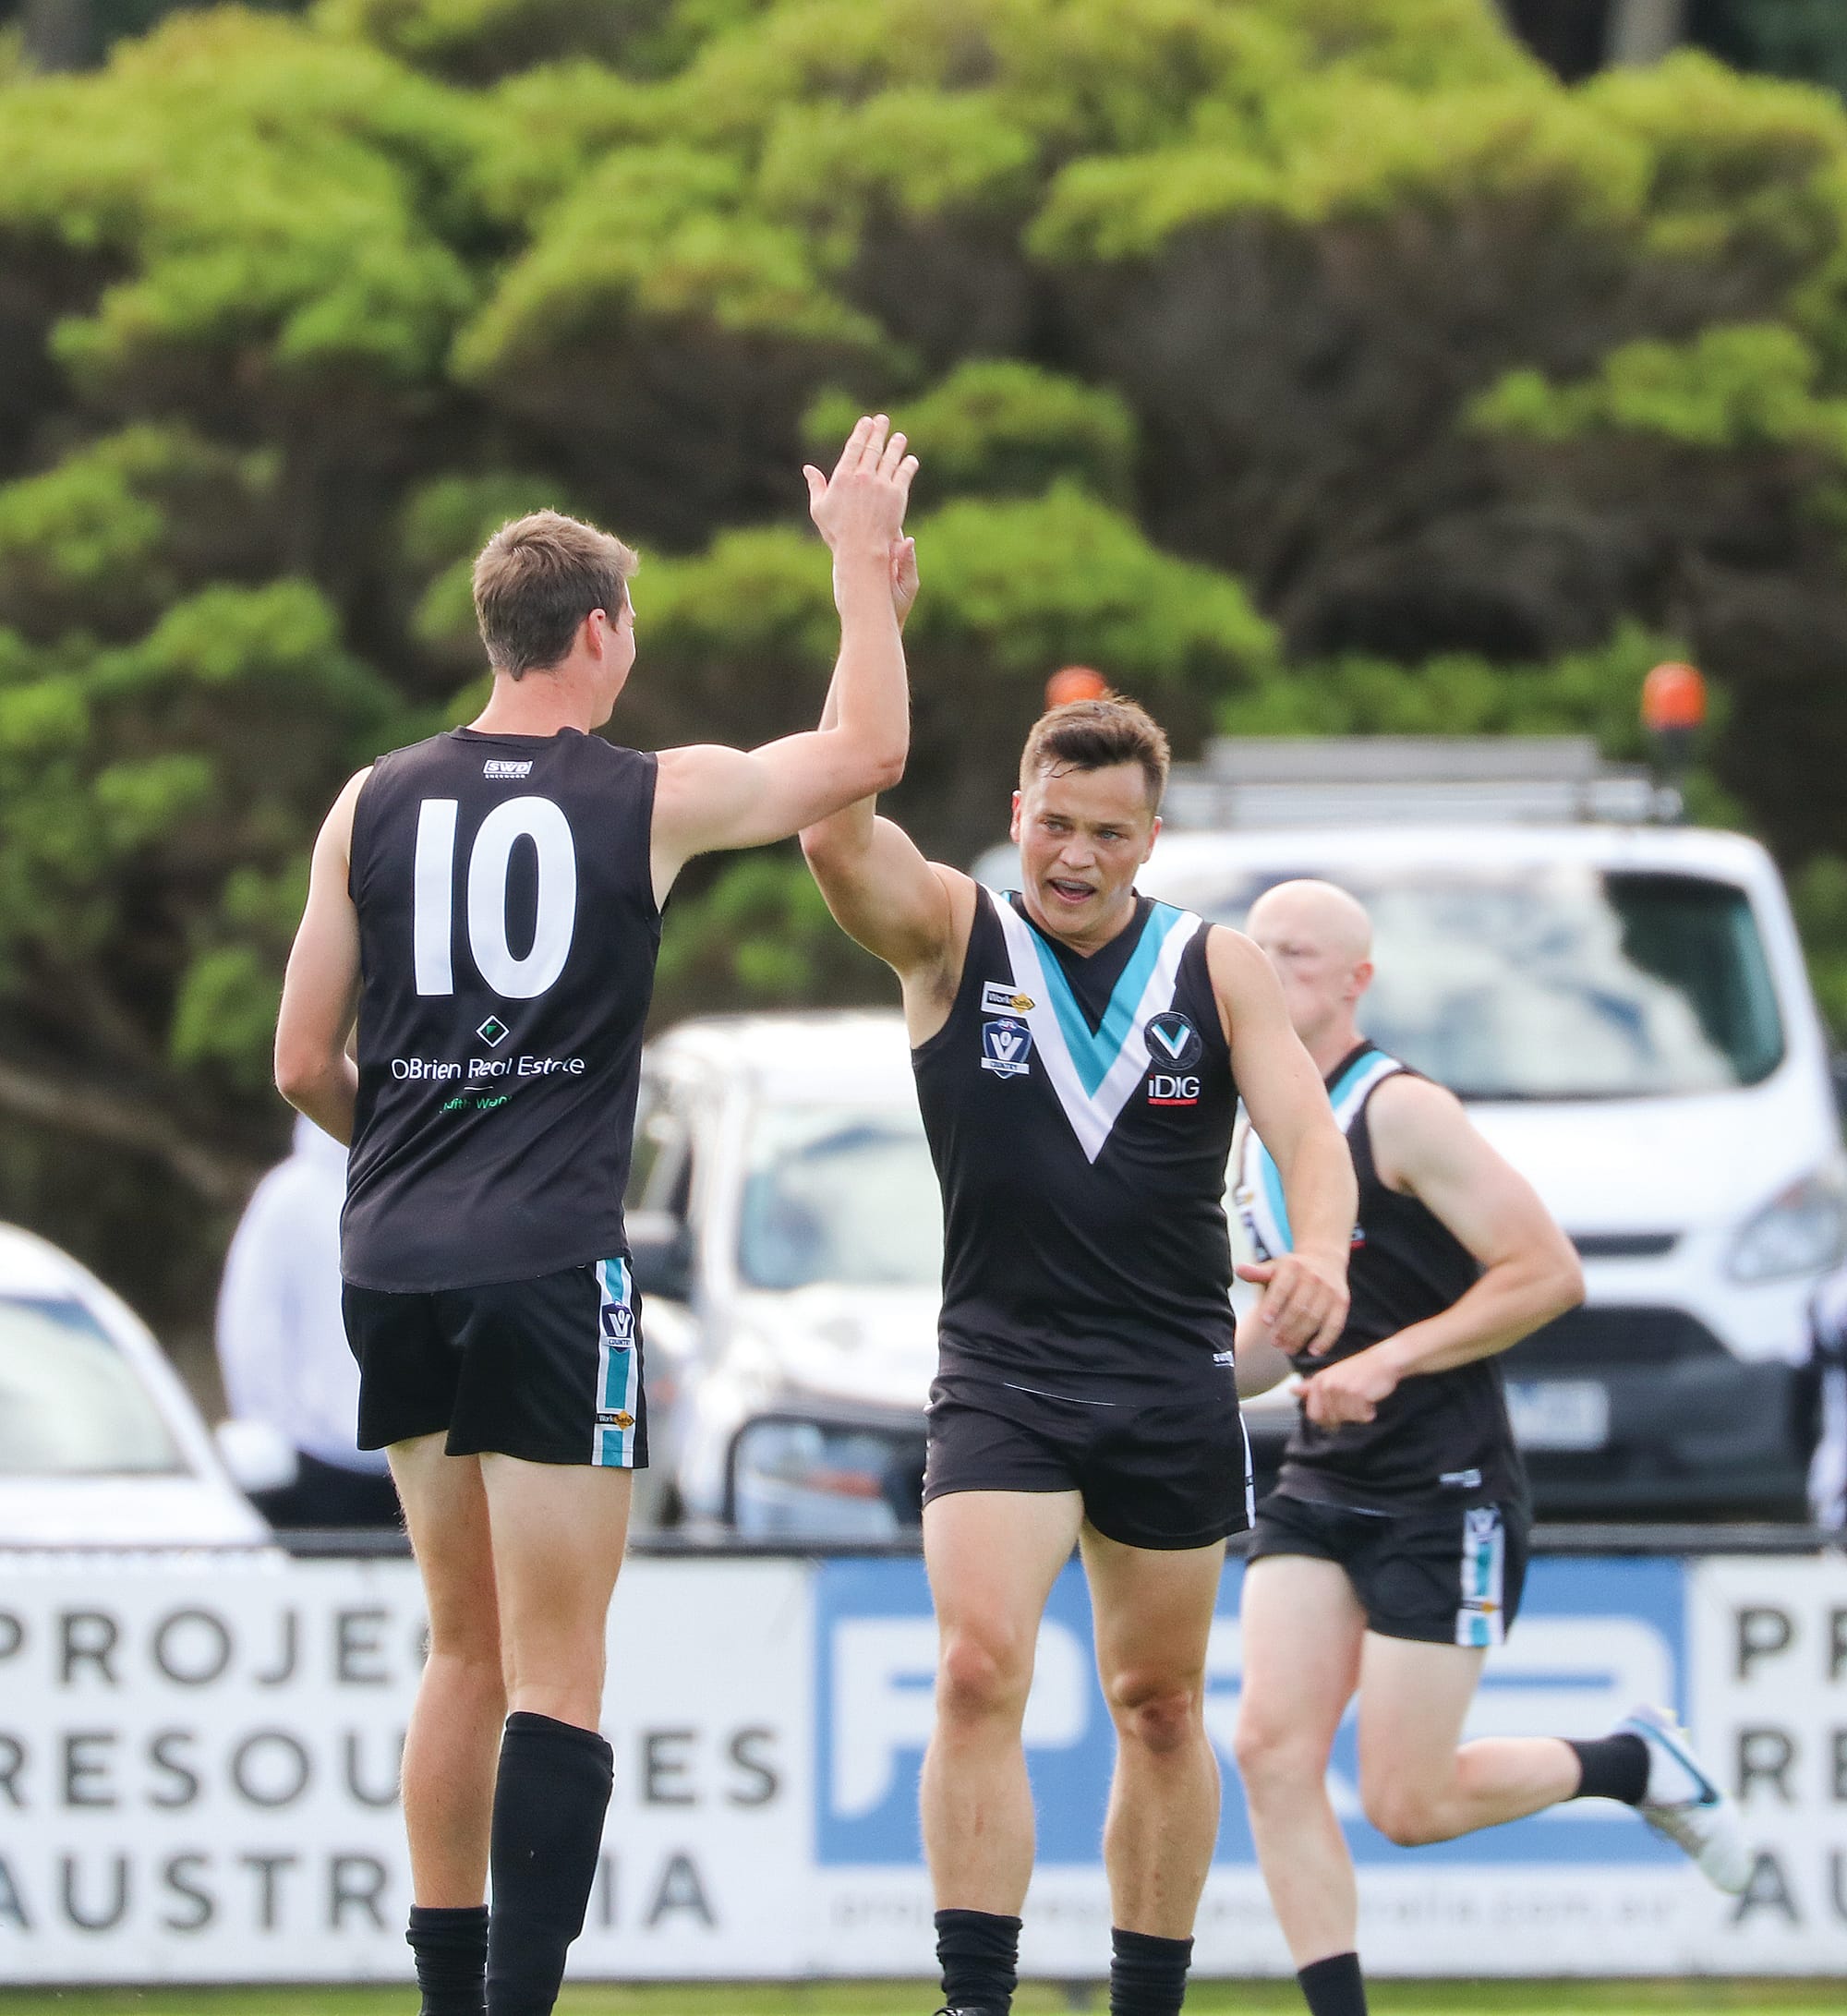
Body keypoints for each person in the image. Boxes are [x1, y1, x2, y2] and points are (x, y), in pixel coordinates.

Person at [272, 416, 918, 2016]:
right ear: (601, 633)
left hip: (399, 1255)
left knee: (460, 1652)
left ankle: (443, 2003)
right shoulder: (646, 792)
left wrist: (419, 1138)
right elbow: (860, 760)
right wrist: (862, 579)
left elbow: (299, 1060)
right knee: (559, 1670)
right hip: (555, 1261)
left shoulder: (370, 800)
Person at [801, 692, 1356, 2016]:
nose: (1076, 854)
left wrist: (1324, 1248)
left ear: (1148, 839)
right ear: (1015, 816)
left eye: (1108, 831)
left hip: (1171, 1382)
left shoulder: (1216, 968)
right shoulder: (953, 932)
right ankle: (975, 1996)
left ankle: (1144, 1997)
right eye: (1054, 822)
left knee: (1158, 1702)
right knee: (977, 1665)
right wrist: (863, 603)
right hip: (1002, 1373)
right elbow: (832, 831)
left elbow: (1310, 1134)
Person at [1226, 878, 1748, 2016]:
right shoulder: (1255, 1128)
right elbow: (1273, 1343)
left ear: (1356, 981)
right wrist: (1170, 1391)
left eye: (1297, 955)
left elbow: (1546, 1273)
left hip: (1442, 1482)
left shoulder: (1400, 1110)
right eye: (1252, 949)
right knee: (1267, 1748)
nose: (1267, 971)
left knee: (1407, 1803)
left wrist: (1386, 1359)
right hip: (1321, 1478)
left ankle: (1636, 1762)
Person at [215, 1112, 401, 1527]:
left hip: (421, 1458)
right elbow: (252, 1332)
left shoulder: (425, 1190)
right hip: (317, 1465)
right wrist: (273, 1433)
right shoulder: (288, 1198)